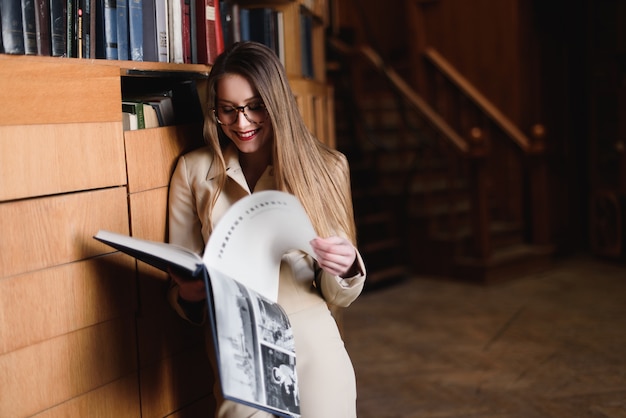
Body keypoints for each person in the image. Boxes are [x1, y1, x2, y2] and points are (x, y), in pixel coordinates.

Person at [167, 41, 366, 418]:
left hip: (314, 343)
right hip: (238, 348)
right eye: (227, 110)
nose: (241, 123)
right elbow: (178, 285)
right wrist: (189, 294)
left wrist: (345, 265)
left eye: (255, 107)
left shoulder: (328, 167)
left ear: (278, 103)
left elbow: (339, 297)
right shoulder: (192, 172)